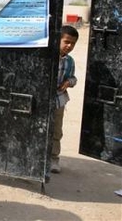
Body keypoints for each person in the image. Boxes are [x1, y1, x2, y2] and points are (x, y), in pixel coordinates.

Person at [51, 25, 79, 173]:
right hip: (44, 99)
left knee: (56, 131)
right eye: (66, 41)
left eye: (73, 43)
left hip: (59, 100)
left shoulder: (70, 61)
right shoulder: (48, 56)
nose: (69, 46)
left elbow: (73, 78)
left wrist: (69, 82)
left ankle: (54, 159)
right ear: (58, 40)